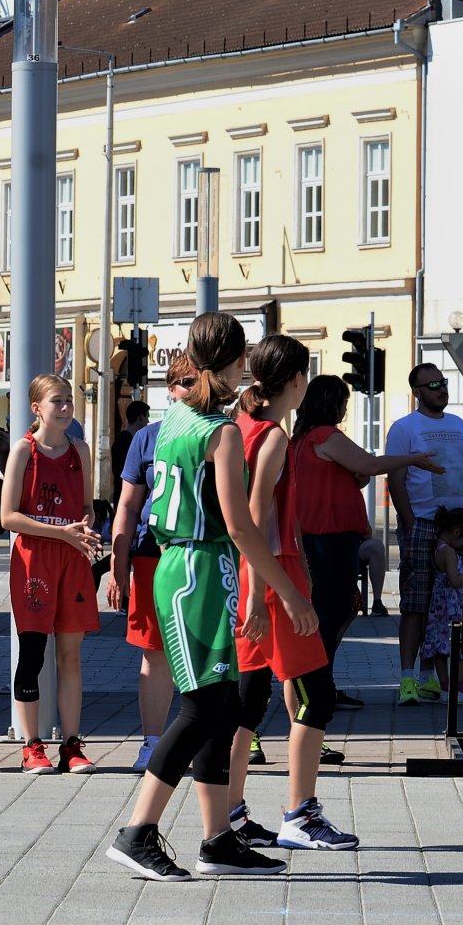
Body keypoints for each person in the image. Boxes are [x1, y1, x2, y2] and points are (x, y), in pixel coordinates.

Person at [103, 312, 320, 882]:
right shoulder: (217, 431)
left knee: (220, 706)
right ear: (237, 359)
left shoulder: (176, 417)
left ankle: (218, 837)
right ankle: (138, 831)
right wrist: (287, 592)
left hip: (184, 563)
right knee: (203, 708)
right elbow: (243, 525)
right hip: (198, 566)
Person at [223, 334, 357, 853]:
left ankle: (232, 813)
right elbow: (257, 519)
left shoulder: (239, 425)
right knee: (315, 696)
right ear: (297, 380)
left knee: (248, 701)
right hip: (273, 576)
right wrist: (264, 596)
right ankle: (300, 814)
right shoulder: (273, 436)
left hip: (248, 573)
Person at [287, 376, 438, 679]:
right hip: (331, 535)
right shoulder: (326, 435)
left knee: (341, 605)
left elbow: (356, 472)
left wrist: (356, 477)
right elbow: (369, 464)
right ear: (330, 403)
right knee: (336, 608)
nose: (345, 410)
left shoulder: (303, 437)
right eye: (343, 403)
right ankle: (316, 675)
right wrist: (413, 460)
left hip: (321, 533)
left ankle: (320, 675)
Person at [0, 373, 103, 774]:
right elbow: (8, 516)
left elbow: (87, 507)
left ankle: (72, 744)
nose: (64, 408)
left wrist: (86, 527)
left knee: (71, 655)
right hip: (34, 560)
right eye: (56, 401)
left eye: (68, 401)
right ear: (36, 408)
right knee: (33, 654)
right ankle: (30, 746)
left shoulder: (81, 450)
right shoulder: (24, 452)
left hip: (72, 558)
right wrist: (60, 531)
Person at [109, 357, 192, 772]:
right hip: (151, 557)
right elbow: (127, 505)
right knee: (155, 653)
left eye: (200, 382)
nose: (192, 390)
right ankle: (152, 742)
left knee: (204, 651)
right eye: (185, 383)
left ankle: (200, 738)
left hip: (202, 555)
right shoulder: (147, 438)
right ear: (170, 389)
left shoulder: (218, 434)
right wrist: (117, 567)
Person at [385, 363, 463, 705]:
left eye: (444, 382)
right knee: (416, 603)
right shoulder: (404, 427)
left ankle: (430, 677)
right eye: (432, 384)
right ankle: (408, 680)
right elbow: (395, 477)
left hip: (458, 526)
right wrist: (409, 521)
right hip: (421, 521)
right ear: (417, 392)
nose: (441, 389)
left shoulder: (459, 424)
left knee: (448, 604)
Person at [419, 506, 463, 705]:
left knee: (440, 647)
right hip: (452, 607)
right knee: (459, 648)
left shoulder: (437, 546)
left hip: (438, 607)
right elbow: (455, 581)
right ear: (456, 532)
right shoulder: (449, 552)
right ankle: (460, 687)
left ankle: (445, 684)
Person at [109, 400, 150, 515]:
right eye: (147, 417)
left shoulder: (123, 439)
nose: (148, 421)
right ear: (140, 417)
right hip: (127, 498)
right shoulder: (126, 441)